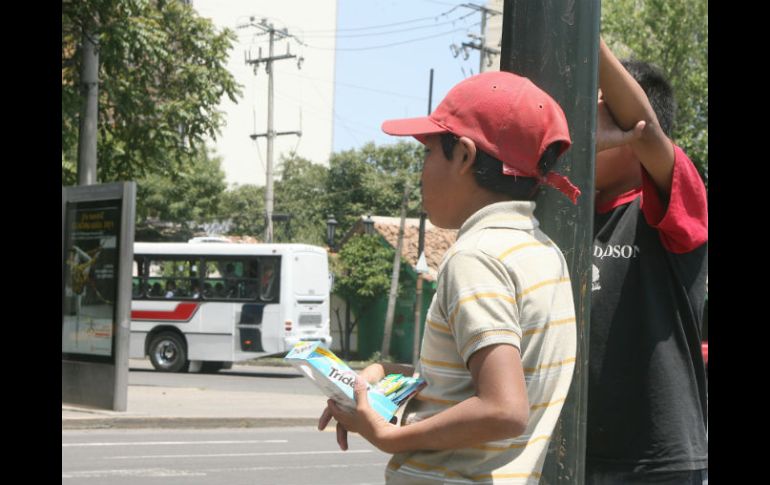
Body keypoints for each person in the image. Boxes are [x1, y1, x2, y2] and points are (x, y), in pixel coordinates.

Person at [318, 71, 578, 483]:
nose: (420, 172)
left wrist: (387, 436)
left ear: (464, 156)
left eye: (427, 154)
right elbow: (481, 380)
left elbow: (503, 408)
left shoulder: (475, 258)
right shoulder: (544, 254)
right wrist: (388, 373)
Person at [586, 38, 708, 484]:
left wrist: (584, 30)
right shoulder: (567, 210)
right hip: (575, 449)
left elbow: (646, 127)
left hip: (657, 460)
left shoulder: (677, 203)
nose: (585, 126)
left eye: (598, 112)